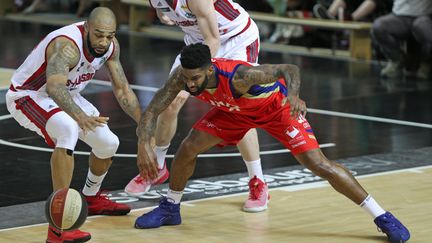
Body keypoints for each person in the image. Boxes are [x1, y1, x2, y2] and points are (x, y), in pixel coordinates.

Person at [134, 43, 410, 243]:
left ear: (209, 70)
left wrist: (293, 95)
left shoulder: (241, 76)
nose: (190, 85)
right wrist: (144, 144)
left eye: (195, 78)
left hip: (277, 110)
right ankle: (170, 208)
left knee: (319, 165)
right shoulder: (182, 79)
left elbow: (288, 68)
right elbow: (151, 111)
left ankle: (382, 216)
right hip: (235, 112)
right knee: (188, 147)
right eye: (186, 77)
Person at [5, 7, 140, 243]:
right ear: (87, 27)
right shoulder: (66, 45)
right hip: (30, 95)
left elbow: (122, 89)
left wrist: (144, 124)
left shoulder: (110, 46)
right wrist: (79, 115)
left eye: (110, 35)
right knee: (68, 129)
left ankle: (91, 197)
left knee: (108, 143)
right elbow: (54, 88)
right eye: (99, 34)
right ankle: (58, 226)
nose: (104, 41)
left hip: (67, 93)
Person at [124, 0, 269, 213]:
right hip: (198, 42)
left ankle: (258, 181)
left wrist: (192, 78)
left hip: (235, 39)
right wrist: (166, 14)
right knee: (171, 101)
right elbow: (164, 13)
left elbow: (213, 39)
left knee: (237, 107)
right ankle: (158, 167)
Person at [372, 0, 432, 79]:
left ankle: (426, 62)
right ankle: (396, 60)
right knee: (379, 26)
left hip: (424, 15)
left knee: (423, 28)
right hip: (399, 15)